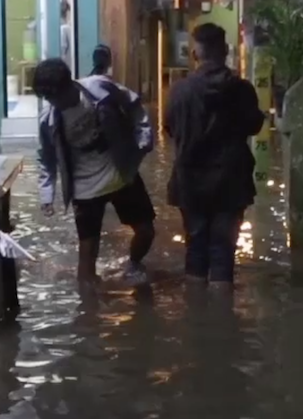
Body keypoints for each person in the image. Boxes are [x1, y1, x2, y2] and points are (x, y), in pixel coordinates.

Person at [33, 57, 156, 286]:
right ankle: (88, 311)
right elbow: (46, 159)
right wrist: (46, 195)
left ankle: (133, 263)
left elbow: (133, 104)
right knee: (87, 257)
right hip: (84, 188)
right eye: (47, 98)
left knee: (146, 230)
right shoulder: (48, 120)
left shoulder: (98, 88)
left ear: (69, 84)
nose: (53, 102)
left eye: (54, 96)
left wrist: (144, 135)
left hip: (120, 174)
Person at [164, 23, 265, 289]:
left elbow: (170, 129)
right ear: (226, 51)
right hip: (230, 181)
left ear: (195, 53)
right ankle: (222, 321)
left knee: (195, 247)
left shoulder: (179, 91)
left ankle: (196, 318)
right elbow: (254, 126)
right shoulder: (242, 90)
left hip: (190, 181)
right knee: (223, 251)